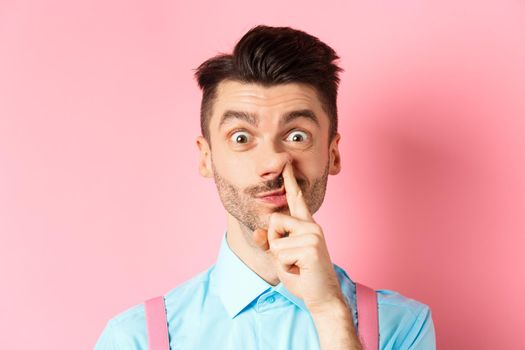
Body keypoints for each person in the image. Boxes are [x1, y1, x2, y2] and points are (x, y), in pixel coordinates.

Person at [94, 25, 436, 350]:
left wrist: (331, 312)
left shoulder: (402, 326)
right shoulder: (135, 338)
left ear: (332, 154)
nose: (273, 161)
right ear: (206, 157)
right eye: (241, 137)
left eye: (297, 136)